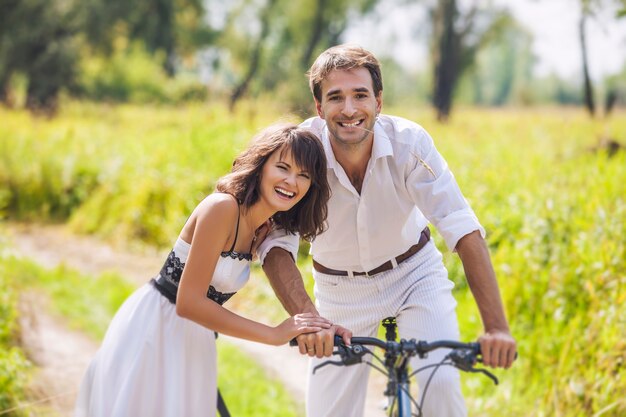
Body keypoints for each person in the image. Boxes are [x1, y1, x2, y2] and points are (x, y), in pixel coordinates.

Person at [257, 44, 517, 417]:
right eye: (336, 97)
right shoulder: (301, 150)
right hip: (339, 290)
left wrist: (497, 328)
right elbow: (277, 245)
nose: (349, 109)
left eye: (360, 95)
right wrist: (310, 321)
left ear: (378, 101)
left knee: (439, 384)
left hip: (414, 274)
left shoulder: (409, 143)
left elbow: (461, 228)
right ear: (318, 108)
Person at [74, 123, 333, 417]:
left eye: (303, 175)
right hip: (156, 327)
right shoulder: (221, 208)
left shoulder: (265, 228)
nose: (291, 181)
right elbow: (188, 302)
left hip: (196, 340)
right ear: (261, 166)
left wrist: (321, 325)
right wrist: (273, 334)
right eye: (283, 167)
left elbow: (283, 267)